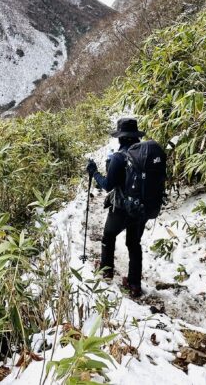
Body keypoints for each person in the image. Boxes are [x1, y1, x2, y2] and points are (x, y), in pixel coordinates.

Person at [86, 117, 148, 298]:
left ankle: (106, 271)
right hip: (141, 208)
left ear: (120, 138)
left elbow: (107, 185)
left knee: (108, 236)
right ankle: (135, 285)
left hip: (121, 208)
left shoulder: (119, 157)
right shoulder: (145, 155)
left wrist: (94, 172)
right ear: (136, 137)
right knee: (134, 244)